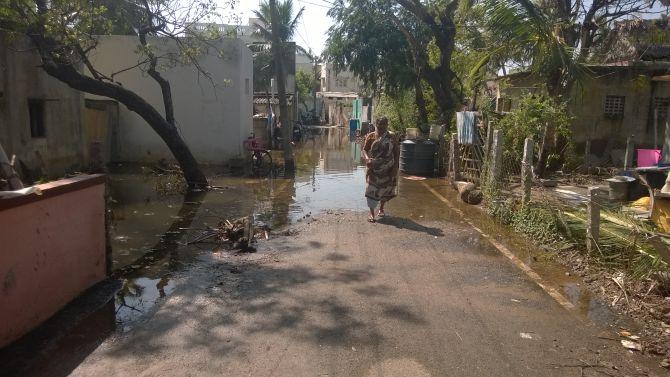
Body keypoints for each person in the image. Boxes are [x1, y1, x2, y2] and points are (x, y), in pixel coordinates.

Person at [362, 117, 400, 222]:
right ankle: (371, 213)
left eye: (384, 124)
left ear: (387, 125)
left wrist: (395, 168)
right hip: (373, 168)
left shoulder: (391, 137)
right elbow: (364, 150)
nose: (381, 126)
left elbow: (396, 153)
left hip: (388, 168)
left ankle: (381, 208)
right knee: (371, 190)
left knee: (385, 189)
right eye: (379, 124)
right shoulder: (371, 136)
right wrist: (367, 159)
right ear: (376, 124)